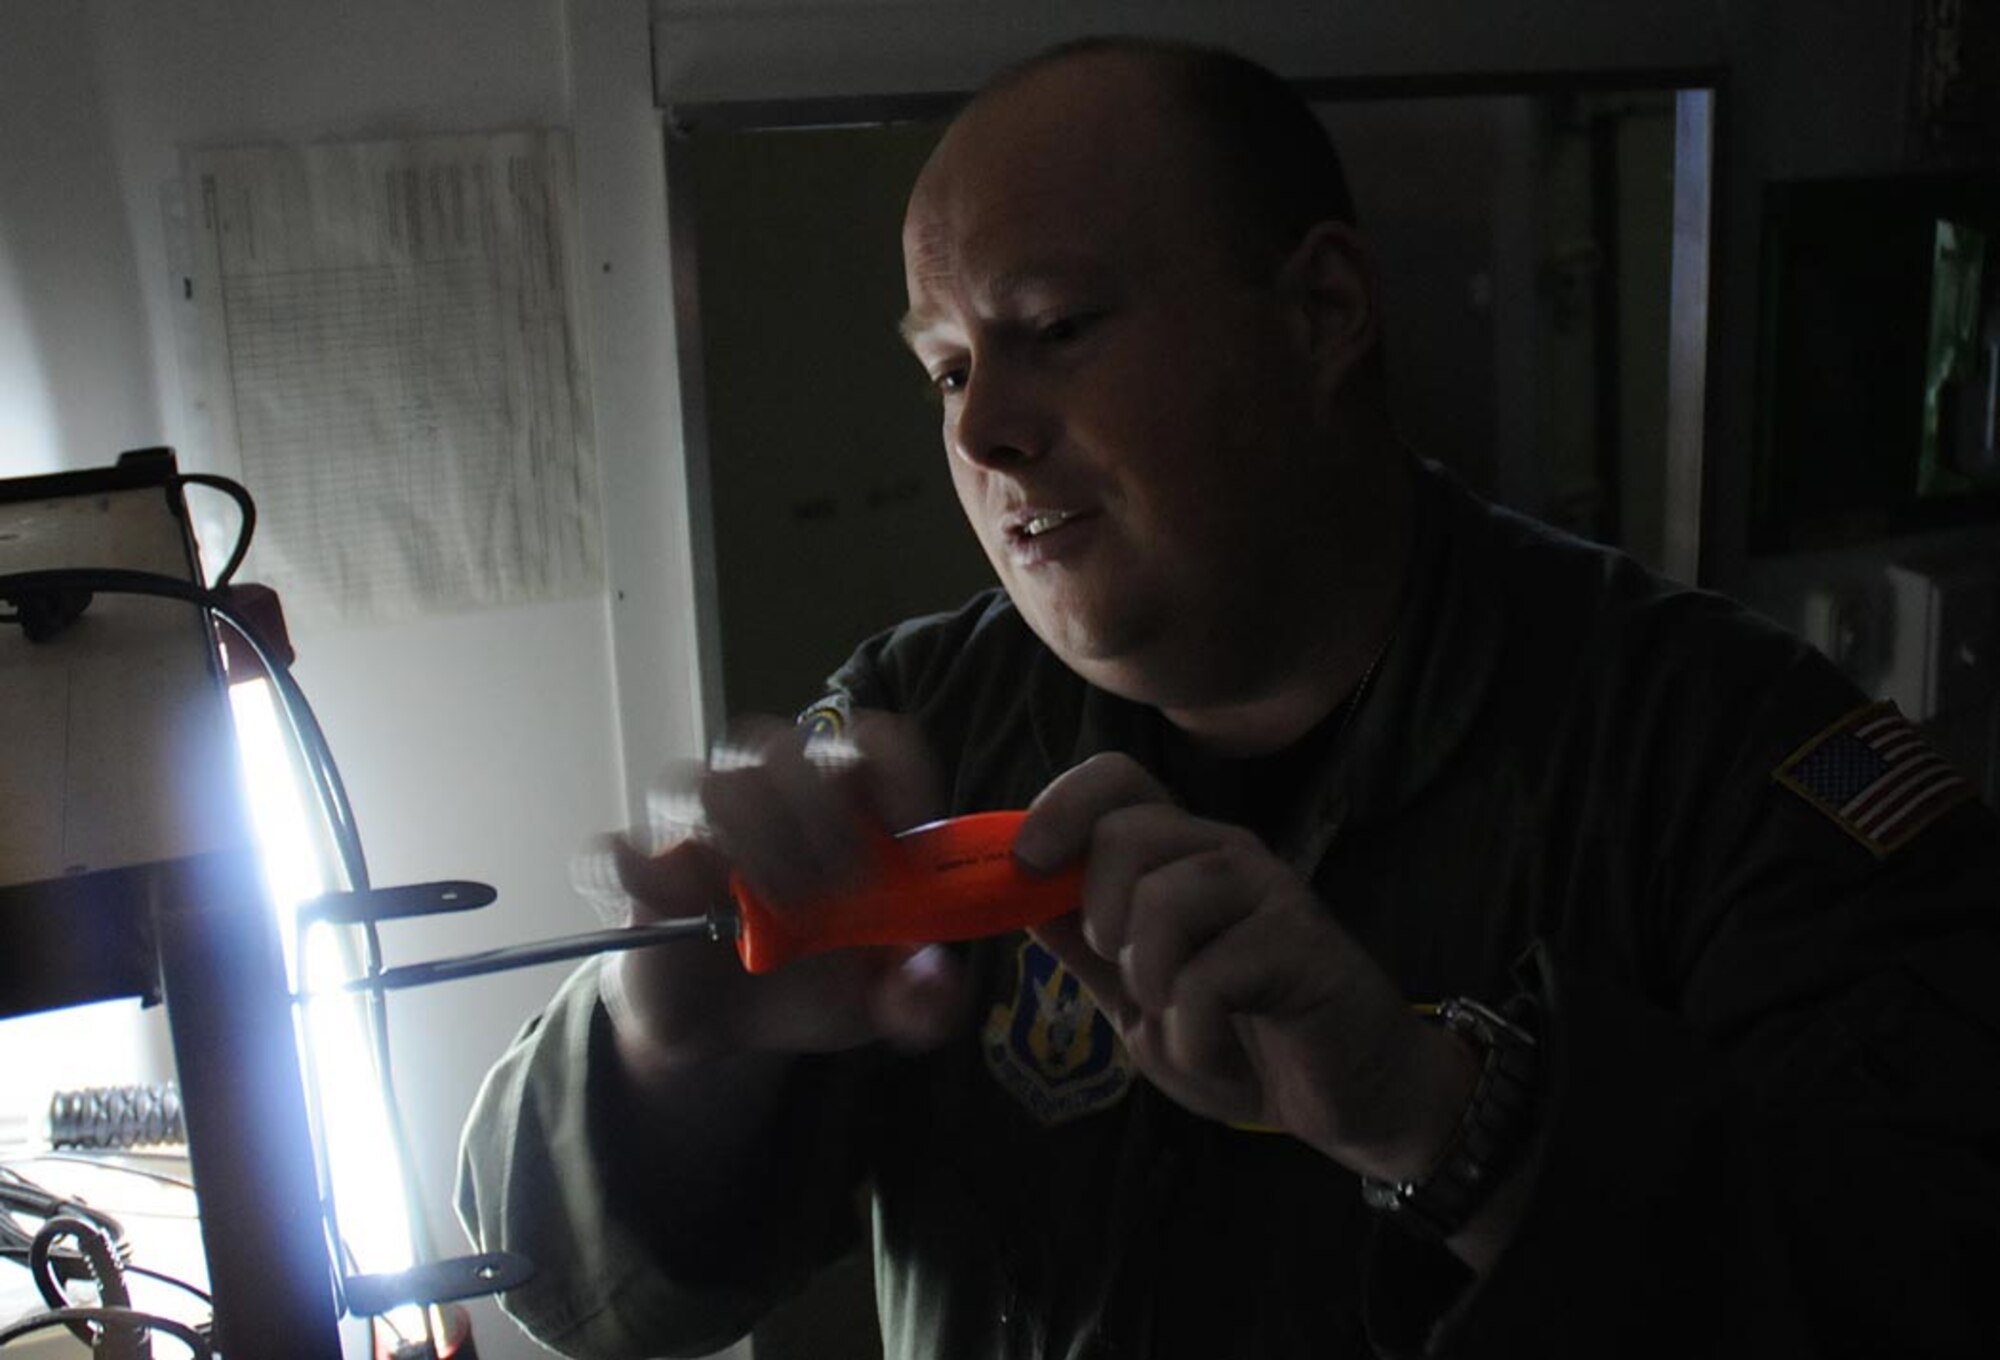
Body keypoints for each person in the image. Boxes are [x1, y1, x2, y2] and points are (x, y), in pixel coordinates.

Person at [457, 35, 2000, 1359]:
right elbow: (571, 1293)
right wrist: (668, 1057)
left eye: (1052, 329)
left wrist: (1456, 1123)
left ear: (1323, 312)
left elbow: (1930, 1282)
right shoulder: (923, 727)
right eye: (944, 369)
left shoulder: (1715, 756)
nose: (984, 429)